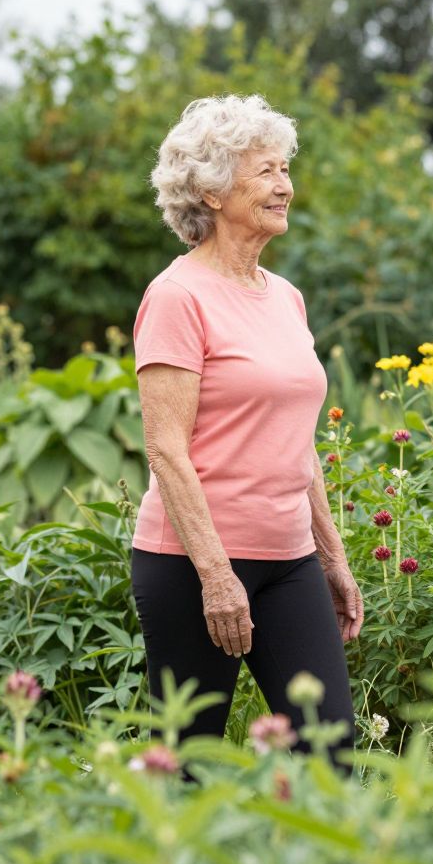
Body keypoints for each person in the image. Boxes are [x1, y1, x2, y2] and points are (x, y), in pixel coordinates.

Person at [131, 95, 363, 753]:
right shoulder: (177, 297)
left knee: (329, 745)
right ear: (210, 189)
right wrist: (214, 573)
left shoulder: (285, 297)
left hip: (288, 562)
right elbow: (166, 449)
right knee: (187, 759)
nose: (286, 186)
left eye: (286, 170)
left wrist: (332, 553)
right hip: (191, 564)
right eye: (267, 171)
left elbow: (299, 444)